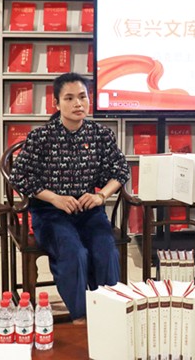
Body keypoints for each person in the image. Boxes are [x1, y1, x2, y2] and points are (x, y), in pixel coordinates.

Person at [10, 72, 129, 323]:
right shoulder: (41, 137)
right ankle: (81, 317)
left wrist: (101, 196)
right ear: (56, 103)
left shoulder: (100, 134)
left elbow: (121, 171)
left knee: (105, 250)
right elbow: (19, 176)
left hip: (88, 210)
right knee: (74, 252)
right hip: (50, 212)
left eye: (83, 97)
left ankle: (108, 313)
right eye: (69, 98)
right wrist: (55, 198)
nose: (78, 104)